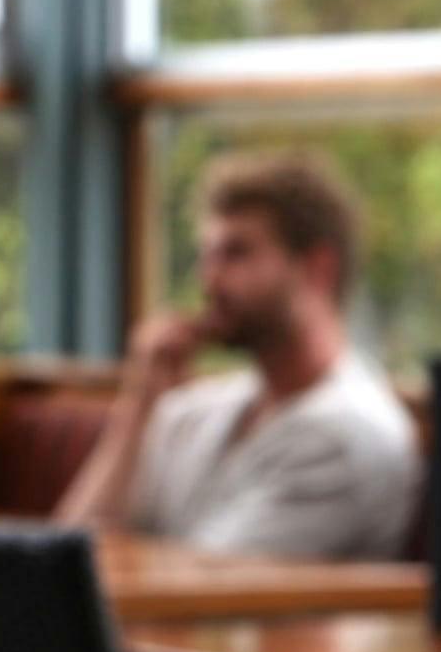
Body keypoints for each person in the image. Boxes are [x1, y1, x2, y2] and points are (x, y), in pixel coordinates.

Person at [55, 150, 418, 559]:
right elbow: (66, 557)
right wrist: (138, 404)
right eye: (207, 255)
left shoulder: (346, 437)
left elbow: (208, 590)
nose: (208, 280)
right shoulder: (190, 414)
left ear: (319, 268)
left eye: (236, 253)